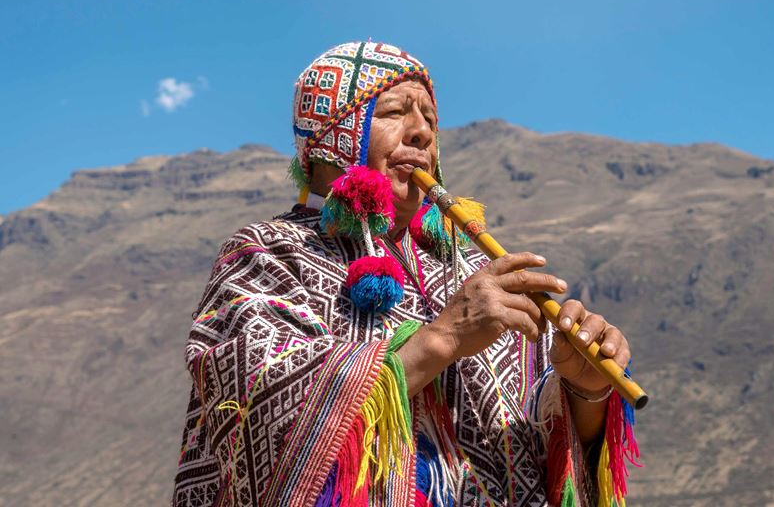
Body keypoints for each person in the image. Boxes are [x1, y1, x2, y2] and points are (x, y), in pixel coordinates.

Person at [173, 41, 640, 507]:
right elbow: (258, 425)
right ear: (334, 133)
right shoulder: (267, 256)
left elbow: (534, 443)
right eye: (395, 112)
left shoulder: (471, 271)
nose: (421, 133)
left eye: (431, 121)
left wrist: (585, 390)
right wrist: (442, 339)